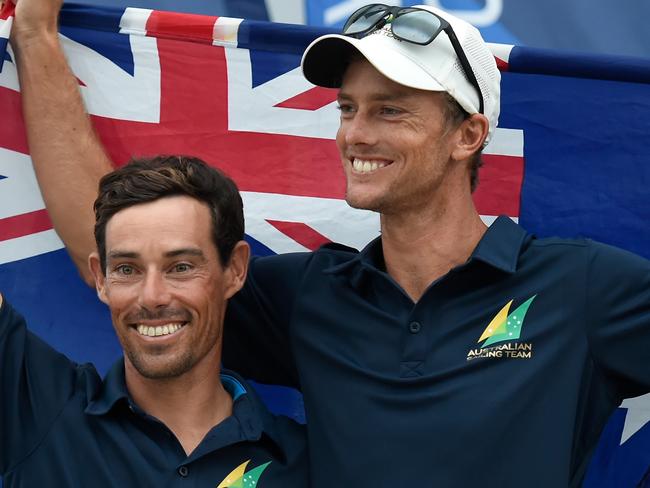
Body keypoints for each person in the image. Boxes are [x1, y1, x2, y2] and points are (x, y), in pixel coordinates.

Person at [9, 0, 650, 486]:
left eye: (390, 110)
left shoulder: (581, 286)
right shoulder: (310, 295)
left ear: (469, 135)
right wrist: (35, 36)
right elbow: (132, 230)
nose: (356, 134)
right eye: (348, 108)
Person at [0, 155, 308, 486]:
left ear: (234, 270)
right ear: (101, 279)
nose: (151, 296)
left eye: (181, 267)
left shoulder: (306, 462)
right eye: (127, 269)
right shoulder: (39, 411)